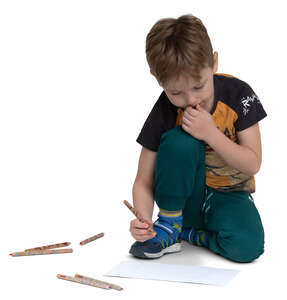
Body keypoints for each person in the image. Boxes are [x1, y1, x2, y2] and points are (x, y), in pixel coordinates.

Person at [129, 14, 266, 263]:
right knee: (180, 141)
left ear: (213, 63)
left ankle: (191, 235)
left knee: (249, 246)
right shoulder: (165, 109)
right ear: (156, 78)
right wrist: (143, 218)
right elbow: (143, 179)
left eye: (199, 86)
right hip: (183, 202)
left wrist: (211, 134)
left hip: (228, 194)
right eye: (176, 92)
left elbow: (253, 163)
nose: (191, 100)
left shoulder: (238, 95)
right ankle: (170, 225)